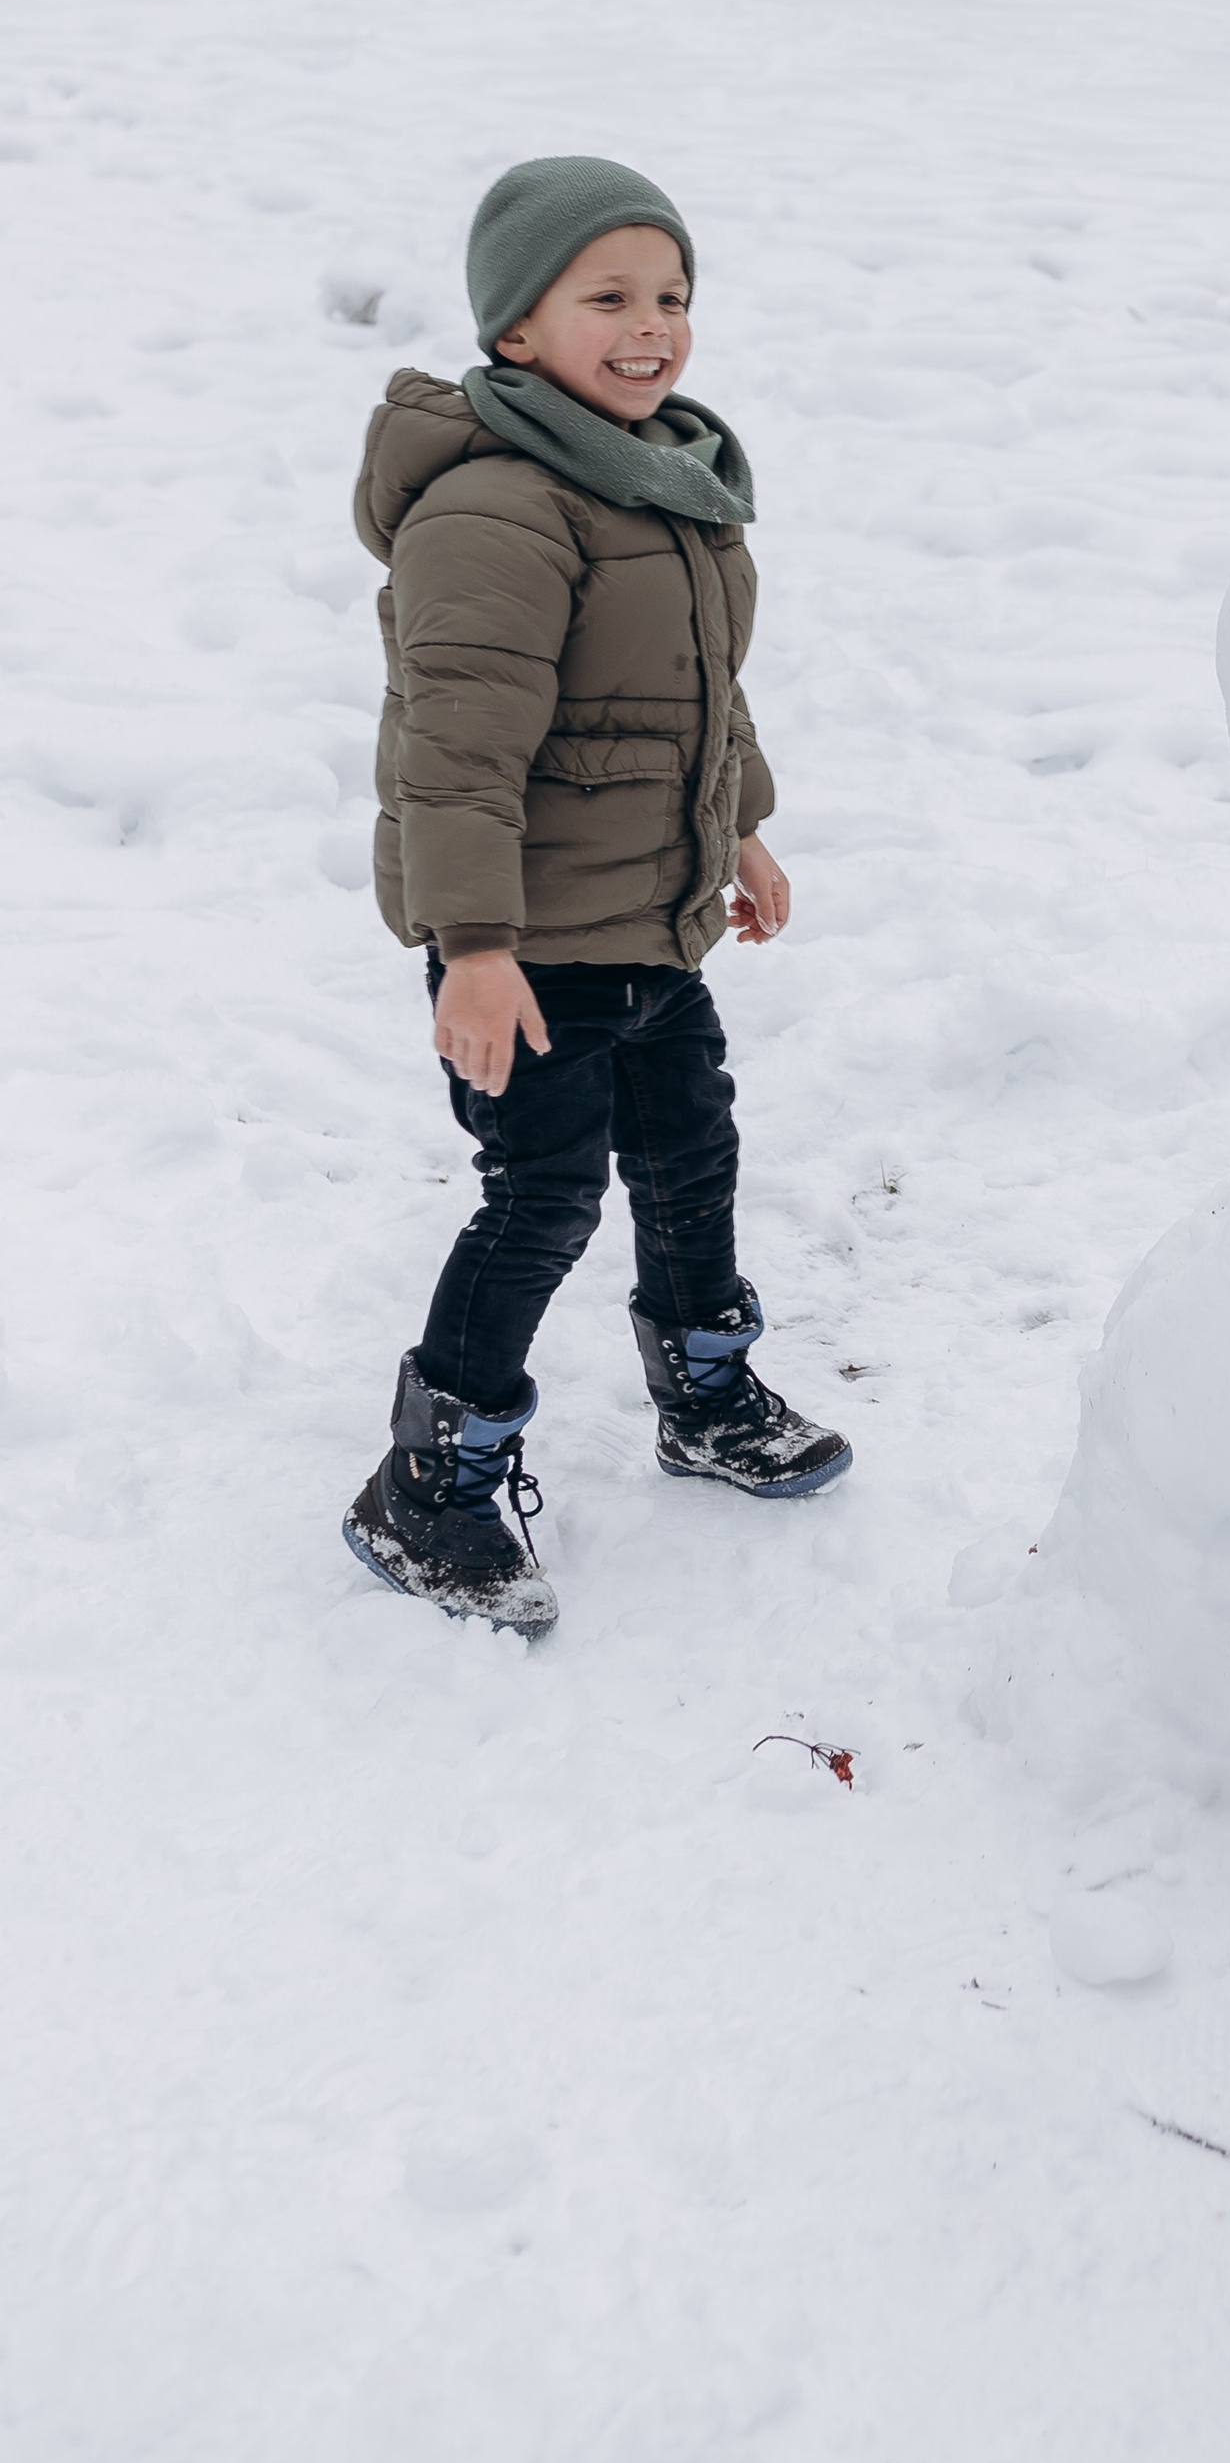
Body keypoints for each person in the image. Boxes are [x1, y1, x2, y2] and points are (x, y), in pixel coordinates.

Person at [343, 157, 848, 1641]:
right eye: (608, 296)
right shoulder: (496, 510)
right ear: (517, 328)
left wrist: (738, 831)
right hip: (529, 938)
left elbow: (699, 702)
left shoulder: (664, 481)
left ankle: (703, 1390)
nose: (653, 326)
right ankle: (430, 1484)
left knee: (692, 1151)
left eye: (672, 294)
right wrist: (473, 949)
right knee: (545, 1196)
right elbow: (455, 755)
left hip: (651, 919)